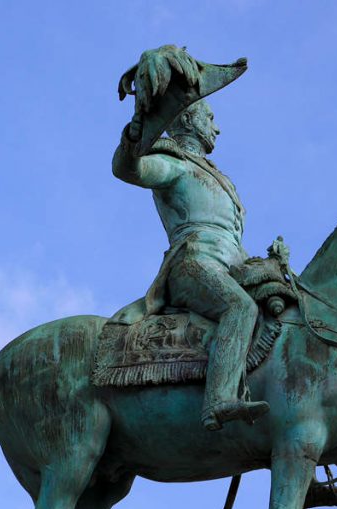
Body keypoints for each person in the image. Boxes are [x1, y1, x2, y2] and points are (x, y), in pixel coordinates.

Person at [112, 66, 269, 431]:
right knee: (240, 309)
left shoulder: (218, 177)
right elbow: (129, 169)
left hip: (233, 267)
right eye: (210, 117)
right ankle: (218, 400)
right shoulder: (174, 164)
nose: (217, 127)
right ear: (190, 118)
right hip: (193, 264)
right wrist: (133, 141)